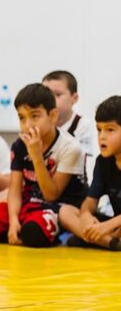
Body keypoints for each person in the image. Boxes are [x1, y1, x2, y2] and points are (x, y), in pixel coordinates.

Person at [0, 84, 87, 247]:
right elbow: (15, 189)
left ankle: (20, 229)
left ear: (53, 116)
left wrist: (37, 157)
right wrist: (12, 220)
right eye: (22, 118)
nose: (27, 124)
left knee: (32, 233)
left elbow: (51, 195)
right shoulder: (20, 145)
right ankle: (12, 228)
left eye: (35, 116)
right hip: (28, 202)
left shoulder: (70, 148)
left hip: (57, 207)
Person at [59, 95, 121, 250]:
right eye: (99, 129)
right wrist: (86, 217)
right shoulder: (103, 161)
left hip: (114, 224)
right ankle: (110, 243)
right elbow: (90, 202)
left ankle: (98, 239)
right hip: (113, 226)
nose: (102, 137)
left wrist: (107, 226)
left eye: (110, 130)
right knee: (66, 211)